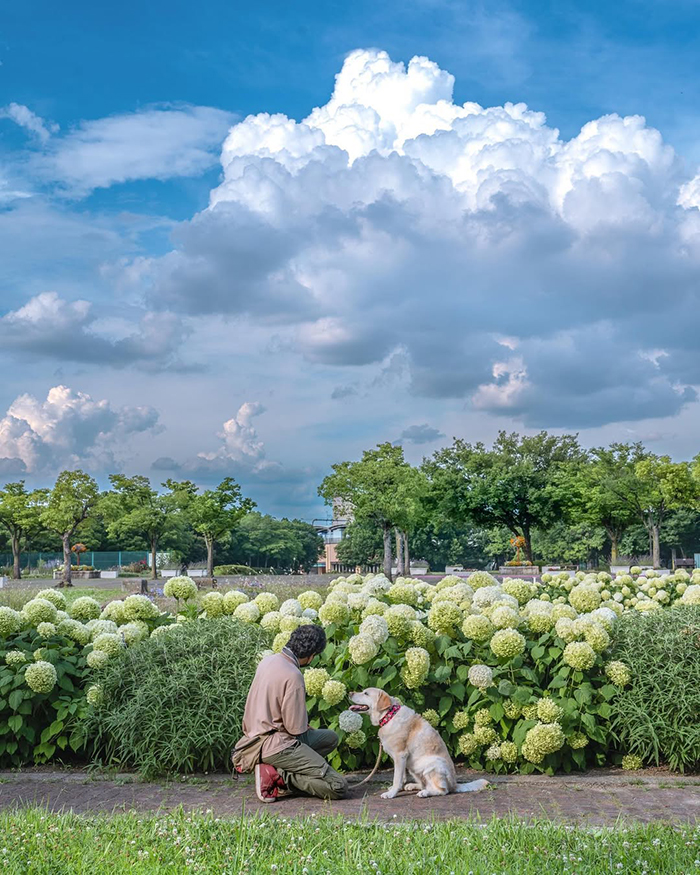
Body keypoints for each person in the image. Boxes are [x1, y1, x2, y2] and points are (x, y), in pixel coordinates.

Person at [232, 624, 348, 803]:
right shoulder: (293, 675)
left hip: (254, 739)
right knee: (338, 786)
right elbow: (295, 728)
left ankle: (273, 768)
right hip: (278, 745)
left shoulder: (268, 661)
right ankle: (281, 777)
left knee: (330, 738)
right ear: (311, 656)